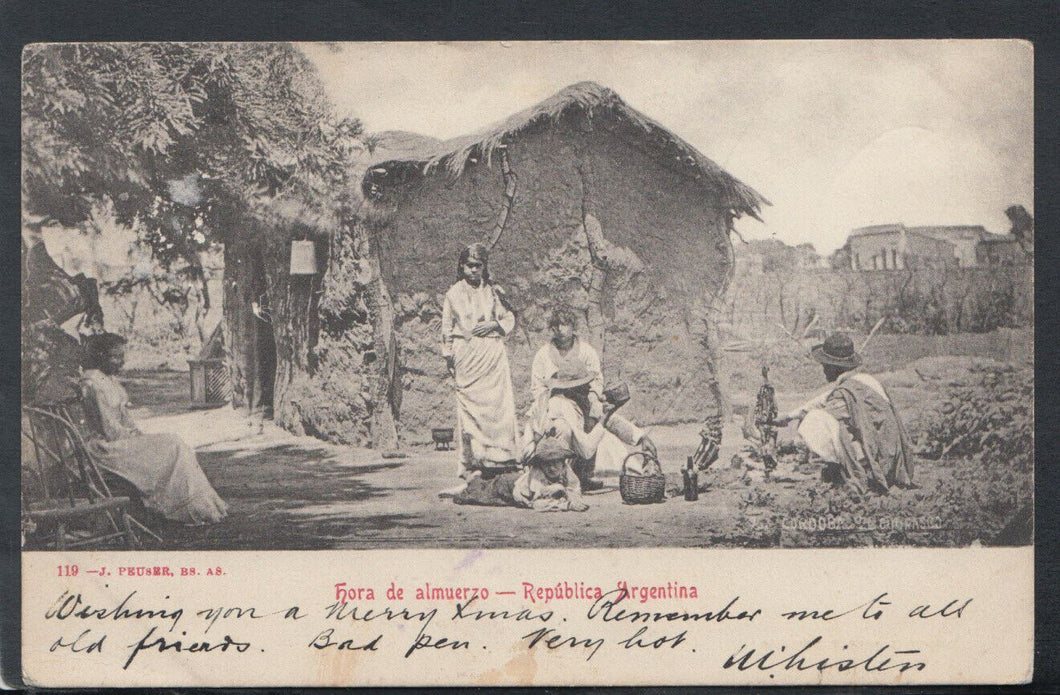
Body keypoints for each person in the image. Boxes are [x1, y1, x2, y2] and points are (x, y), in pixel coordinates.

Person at [79, 333, 229, 524]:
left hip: (121, 439)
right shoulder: (93, 384)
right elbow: (110, 429)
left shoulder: (107, 379)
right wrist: (136, 439)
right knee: (173, 445)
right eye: (116, 357)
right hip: (107, 448)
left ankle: (196, 505)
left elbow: (124, 419)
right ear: (100, 357)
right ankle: (183, 508)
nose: (121, 362)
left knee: (175, 445)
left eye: (122, 356)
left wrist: (137, 434)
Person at [526, 308, 656, 490]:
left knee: (595, 420)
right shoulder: (543, 355)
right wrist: (545, 410)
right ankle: (562, 479)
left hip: (583, 401)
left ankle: (584, 476)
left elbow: (596, 380)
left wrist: (640, 437)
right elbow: (537, 387)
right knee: (566, 431)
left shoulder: (586, 351)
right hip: (553, 406)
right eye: (556, 326)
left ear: (573, 326)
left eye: (565, 324)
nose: (560, 329)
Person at [775, 332, 916, 495]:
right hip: (891, 453)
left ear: (834, 367)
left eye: (825, 366)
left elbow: (822, 413)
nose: (824, 371)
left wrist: (787, 445)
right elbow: (822, 399)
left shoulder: (845, 394)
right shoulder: (863, 380)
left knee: (814, 420)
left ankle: (854, 474)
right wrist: (789, 416)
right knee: (818, 417)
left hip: (880, 459)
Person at [440, 243, 520, 485]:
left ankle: (500, 459)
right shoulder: (453, 293)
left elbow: (509, 316)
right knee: (470, 410)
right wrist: (449, 356)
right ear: (462, 267)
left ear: (484, 268)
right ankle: (474, 462)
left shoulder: (494, 292)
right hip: (467, 355)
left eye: (478, 266)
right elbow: (446, 328)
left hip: (492, 356)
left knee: (497, 406)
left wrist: (494, 325)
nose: (474, 270)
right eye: (469, 265)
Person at [453, 437, 589, 512]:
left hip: (519, 480)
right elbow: (537, 503)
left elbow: (574, 488)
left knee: (486, 488)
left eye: (556, 462)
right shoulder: (537, 474)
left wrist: (572, 498)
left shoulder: (566, 470)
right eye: (547, 463)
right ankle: (474, 478)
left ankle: (478, 478)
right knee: (479, 494)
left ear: (563, 461)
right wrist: (566, 505)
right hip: (508, 487)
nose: (552, 467)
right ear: (540, 464)